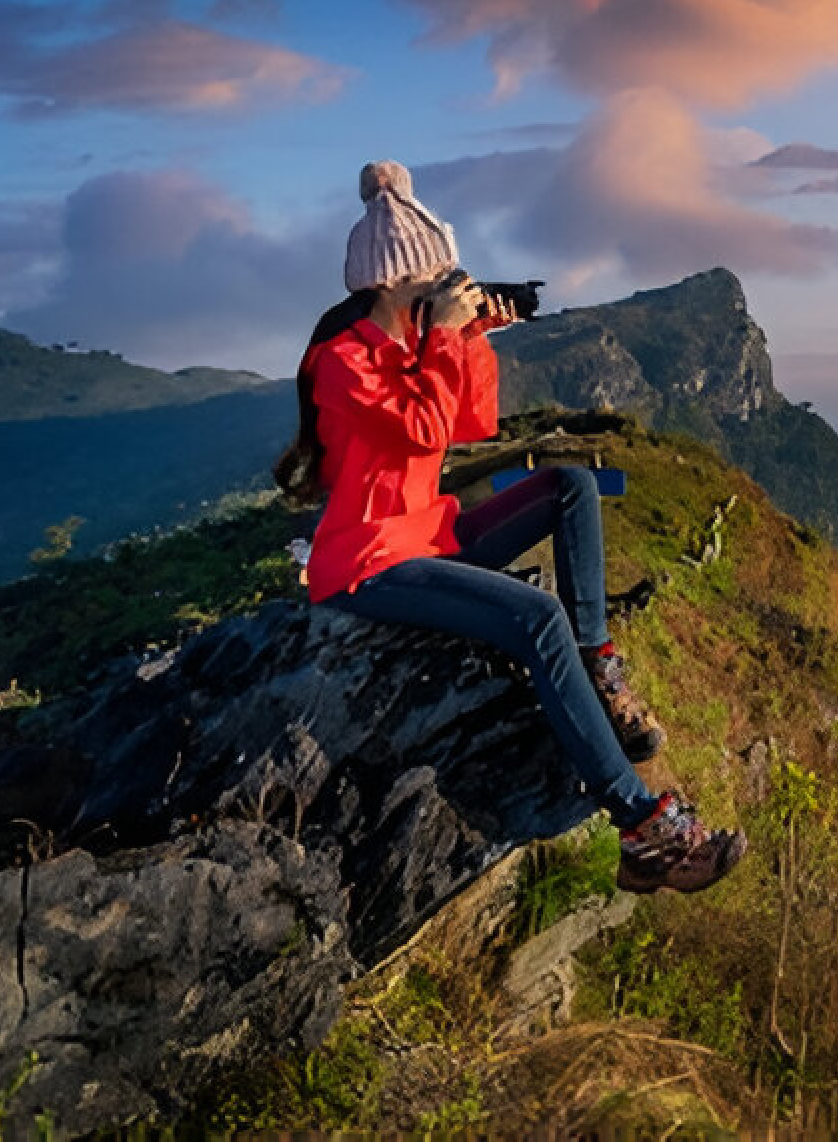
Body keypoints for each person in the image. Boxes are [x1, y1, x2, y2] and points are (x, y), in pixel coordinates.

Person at [275, 160, 744, 894]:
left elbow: (468, 421)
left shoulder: (408, 347)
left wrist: (468, 336)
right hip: (368, 559)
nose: (447, 288)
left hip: (428, 533)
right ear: (397, 282)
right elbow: (422, 425)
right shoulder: (344, 362)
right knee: (534, 616)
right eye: (437, 278)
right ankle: (640, 827)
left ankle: (597, 664)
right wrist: (442, 341)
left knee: (570, 486)